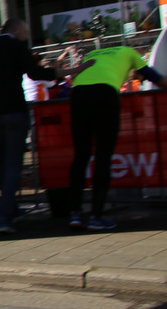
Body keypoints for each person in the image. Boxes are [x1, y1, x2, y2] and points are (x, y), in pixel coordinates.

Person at [0, 18, 57, 234]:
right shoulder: (17, 46)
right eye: (25, 30)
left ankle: (11, 208)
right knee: (14, 164)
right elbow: (35, 73)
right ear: (15, 29)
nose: (26, 35)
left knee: (2, 162)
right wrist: (72, 70)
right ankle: (4, 215)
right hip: (14, 110)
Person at [67, 44, 167, 231]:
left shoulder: (93, 53)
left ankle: (75, 215)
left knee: (81, 155)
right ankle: (96, 217)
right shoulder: (129, 52)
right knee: (103, 156)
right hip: (105, 94)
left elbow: (77, 76)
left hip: (79, 94)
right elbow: (154, 77)